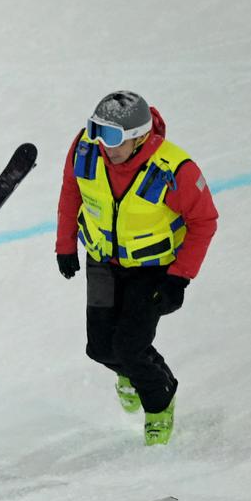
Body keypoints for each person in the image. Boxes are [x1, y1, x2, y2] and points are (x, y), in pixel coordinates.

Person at [54, 91, 218, 445]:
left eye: (113, 138)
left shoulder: (175, 170)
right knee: (99, 347)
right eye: (96, 130)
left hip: (152, 270)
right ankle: (129, 374)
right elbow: (72, 190)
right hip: (101, 260)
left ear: (140, 136)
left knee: (130, 346)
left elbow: (204, 221)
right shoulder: (86, 149)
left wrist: (180, 278)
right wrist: (65, 244)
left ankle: (160, 401)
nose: (103, 144)